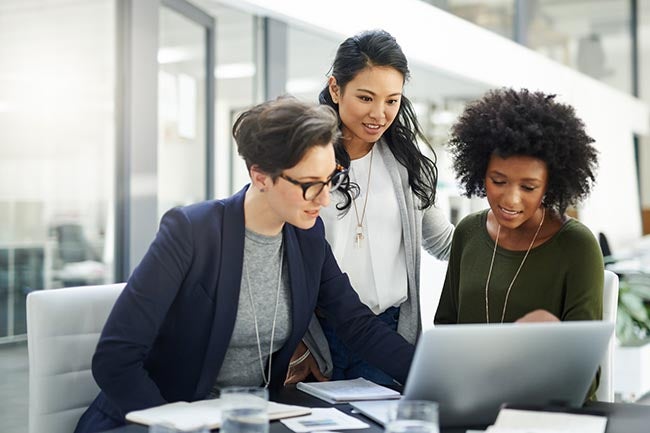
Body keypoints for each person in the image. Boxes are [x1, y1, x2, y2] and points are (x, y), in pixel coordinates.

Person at [74, 97, 415, 433]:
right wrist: (176, 428)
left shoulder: (306, 238)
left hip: (247, 419)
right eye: (311, 186)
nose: (325, 199)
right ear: (261, 176)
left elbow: (356, 324)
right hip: (158, 420)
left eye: (331, 181)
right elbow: (115, 359)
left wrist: (427, 371)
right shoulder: (191, 232)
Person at [285, 29, 454, 386]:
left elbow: (443, 242)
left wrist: (513, 228)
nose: (379, 114)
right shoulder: (302, 160)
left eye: (392, 101)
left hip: (388, 334)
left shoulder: (409, 164)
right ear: (335, 89)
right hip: (316, 337)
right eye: (365, 97)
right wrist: (298, 343)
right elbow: (276, 256)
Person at [434, 88, 603, 398]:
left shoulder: (577, 247)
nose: (510, 199)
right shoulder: (468, 232)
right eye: (498, 181)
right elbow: (445, 331)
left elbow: (586, 377)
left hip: (543, 412)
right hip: (469, 401)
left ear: (550, 186)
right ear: (479, 172)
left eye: (529, 186)